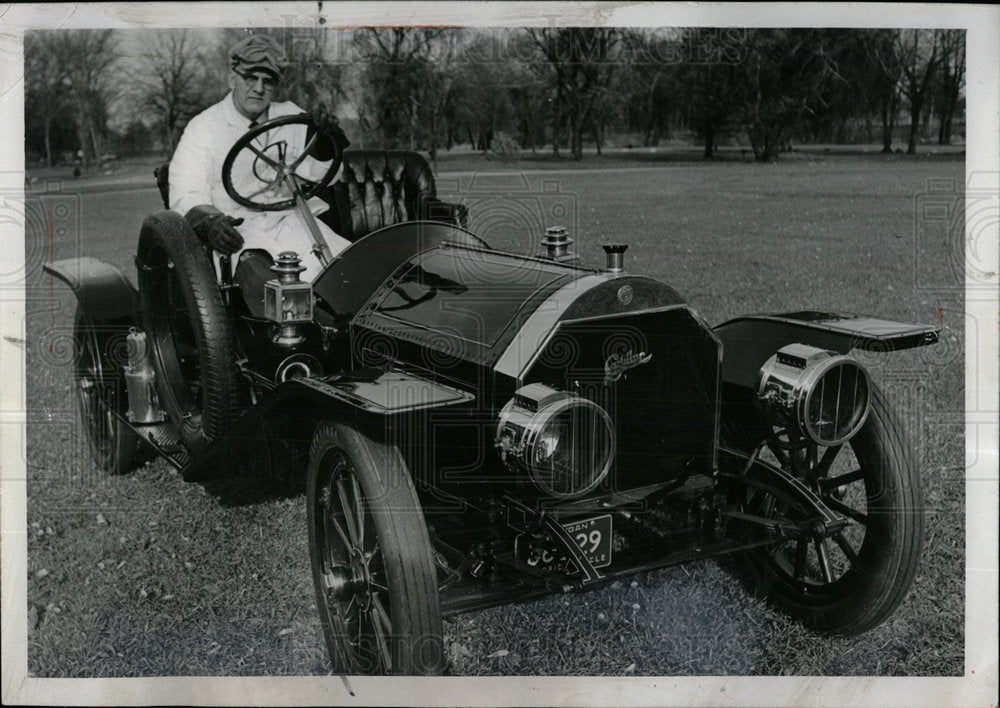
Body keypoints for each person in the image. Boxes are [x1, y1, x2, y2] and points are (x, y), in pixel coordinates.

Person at [169, 34, 350, 281]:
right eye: (250, 78)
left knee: (342, 268)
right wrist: (211, 222)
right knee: (272, 285)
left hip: (291, 219)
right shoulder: (204, 127)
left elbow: (327, 177)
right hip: (238, 230)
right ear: (232, 78)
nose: (259, 88)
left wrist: (325, 145)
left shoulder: (292, 115)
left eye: (268, 81)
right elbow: (186, 193)